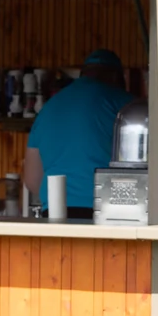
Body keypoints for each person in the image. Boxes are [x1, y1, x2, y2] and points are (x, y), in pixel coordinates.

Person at [23, 49, 134, 217]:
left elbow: (32, 180)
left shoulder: (48, 108)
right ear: (116, 77)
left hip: (55, 212)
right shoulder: (128, 105)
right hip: (112, 213)